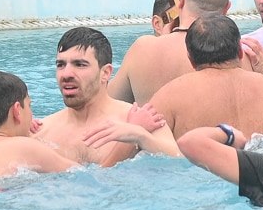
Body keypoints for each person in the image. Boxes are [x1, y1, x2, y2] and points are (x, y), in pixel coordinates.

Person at [34, 26, 179, 166]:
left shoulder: (145, 122)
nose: (66, 74)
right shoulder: (40, 132)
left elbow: (179, 162)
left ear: (105, 73)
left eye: (80, 64)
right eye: (61, 65)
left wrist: (141, 137)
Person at [110, 0, 234, 103]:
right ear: (227, 8)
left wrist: (161, 46)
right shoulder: (239, 55)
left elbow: (105, 104)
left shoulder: (143, 50)